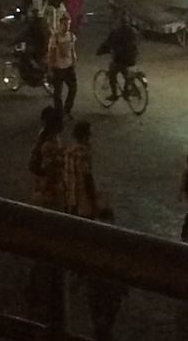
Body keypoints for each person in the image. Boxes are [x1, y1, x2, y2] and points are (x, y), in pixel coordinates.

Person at [84, 209, 127, 340]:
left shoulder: (92, 246)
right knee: (104, 323)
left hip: (100, 289)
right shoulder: (119, 245)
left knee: (100, 321)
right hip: (108, 290)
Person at [30, 106, 66, 210]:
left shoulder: (43, 134)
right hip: (48, 181)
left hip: (41, 179)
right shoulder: (51, 143)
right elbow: (49, 166)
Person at [96, 15, 138, 101]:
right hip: (132, 57)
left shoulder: (116, 33)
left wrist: (100, 51)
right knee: (126, 73)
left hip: (120, 58)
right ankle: (129, 89)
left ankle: (114, 95)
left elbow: (107, 44)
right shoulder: (133, 31)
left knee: (112, 74)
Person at [64, 119, 98, 218]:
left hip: (70, 194)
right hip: (82, 197)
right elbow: (87, 176)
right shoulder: (83, 153)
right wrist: (93, 198)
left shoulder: (69, 150)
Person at [48, 12, 77, 116]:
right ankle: (59, 111)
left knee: (73, 89)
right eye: (65, 24)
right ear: (60, 25)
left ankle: (67, 109)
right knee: (57, 92)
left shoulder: (71, 36)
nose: (67, 27)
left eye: (68, 24)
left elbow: (72, 50)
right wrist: (50, 67)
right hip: (59, 68)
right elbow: (51, 54)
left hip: (68, 67)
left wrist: (74, 61)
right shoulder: (55, 38)